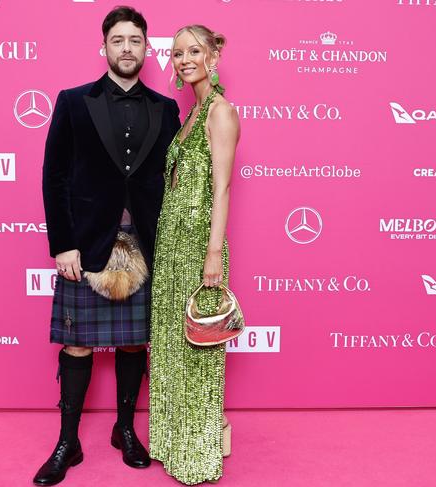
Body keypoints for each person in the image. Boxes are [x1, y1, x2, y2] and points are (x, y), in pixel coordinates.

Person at [34, 6, 181, 486]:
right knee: (76, 343)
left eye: (134, 41)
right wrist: (63, 243)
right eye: (117, 40)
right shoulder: (73, 102)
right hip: (87, 244)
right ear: (104, 47)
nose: (126, 48)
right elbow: (54, 176)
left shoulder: (166, 109)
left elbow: (171, 182)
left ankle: (124, 429)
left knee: (135, 340)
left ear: (146, 47)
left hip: (145, 246)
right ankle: (68, 440)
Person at [148, 25, 240, 485]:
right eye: (177, 53)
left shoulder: (220, 112)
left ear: (212, 54)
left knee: (197, 349)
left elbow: (221, 187)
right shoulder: (191, 114)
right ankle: (171, 439)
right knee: (170, 345)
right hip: (171, 243)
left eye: (193, 51)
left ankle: (201, 446)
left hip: (198, 245)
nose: (183, 60)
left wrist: (213, 253)